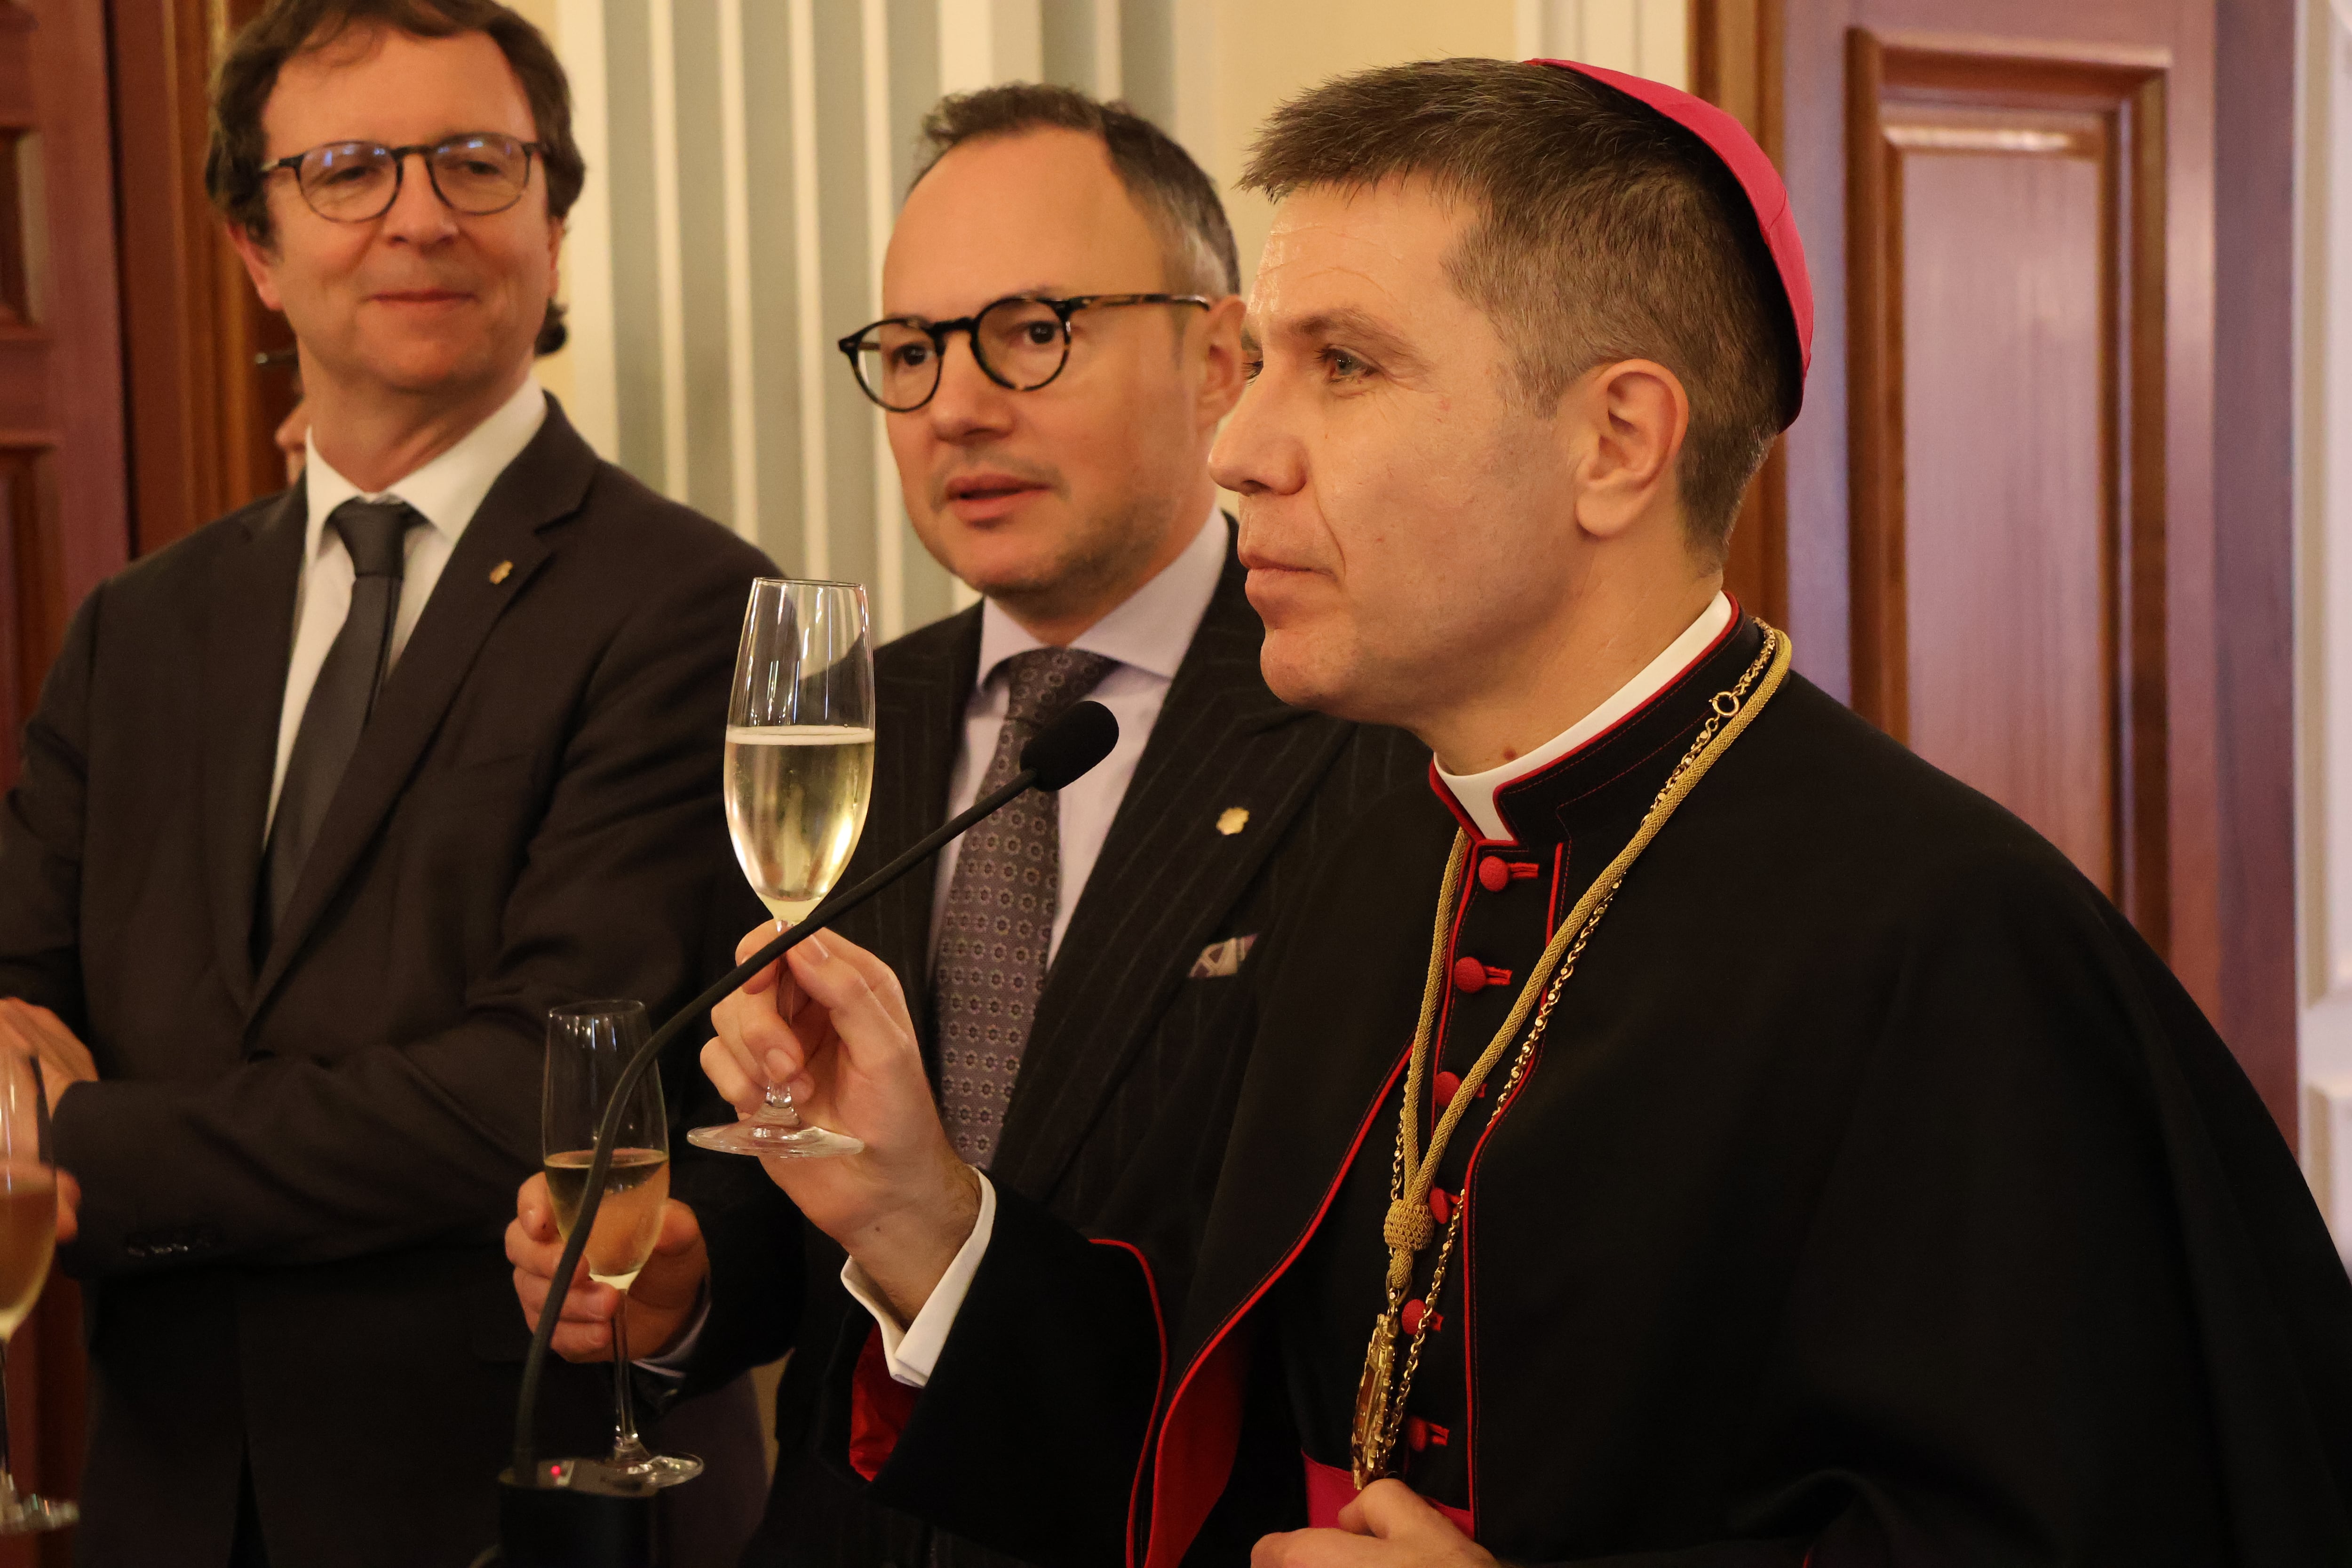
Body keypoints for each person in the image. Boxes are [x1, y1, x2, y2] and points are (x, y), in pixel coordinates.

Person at [697, 57, 2352, 1568]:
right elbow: (1221, 1459)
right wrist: (917, 1210)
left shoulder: (1946, 947)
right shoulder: (1380, 872)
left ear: (1617, 442)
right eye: (1262, 364)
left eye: (1341, 364)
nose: (1243, 449)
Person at [504, 85, 1427, 1567]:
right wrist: (686, 1290)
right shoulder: (838, 725)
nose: (956, 405)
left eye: (1031, 331)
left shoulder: (1369, 734)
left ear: (1216, 357)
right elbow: (776, 1158)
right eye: (915, 351)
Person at [0, 0, 779, 1561]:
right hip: (163, 1503)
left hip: (513, 1505)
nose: (419, 213)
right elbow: (14, 1000)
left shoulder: (695, 606)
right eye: (350, 167)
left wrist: (81, 1146)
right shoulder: (135, 629)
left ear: (556, 216)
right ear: (259, 249)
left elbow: (536, 1091)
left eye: (477, 163)